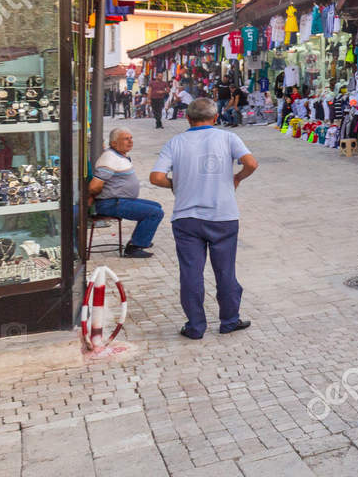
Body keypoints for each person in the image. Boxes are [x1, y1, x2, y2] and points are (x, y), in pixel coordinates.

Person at [149, 97, 257, 339]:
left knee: (191, 272)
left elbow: (155, 177)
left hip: (186, 217)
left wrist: (177, 184)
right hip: (223, 215)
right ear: (216, 117)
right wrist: (237, 178)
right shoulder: (228, 138)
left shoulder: (175, 142)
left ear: (187, 118)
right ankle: (229, 320)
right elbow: (251, 163)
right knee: (225, 271)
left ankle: (196, 326)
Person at [89, 127, 164, 259]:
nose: (130, 142)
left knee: (157, 206)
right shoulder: (109, 158)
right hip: (111, 203)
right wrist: (95, 199)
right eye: (125, 139)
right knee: (155, 213)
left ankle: (142, 238)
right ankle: (134, 247)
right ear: (113, 143)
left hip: (121, 200)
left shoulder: (120, 155)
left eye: (131, 138)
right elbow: (94, 186)